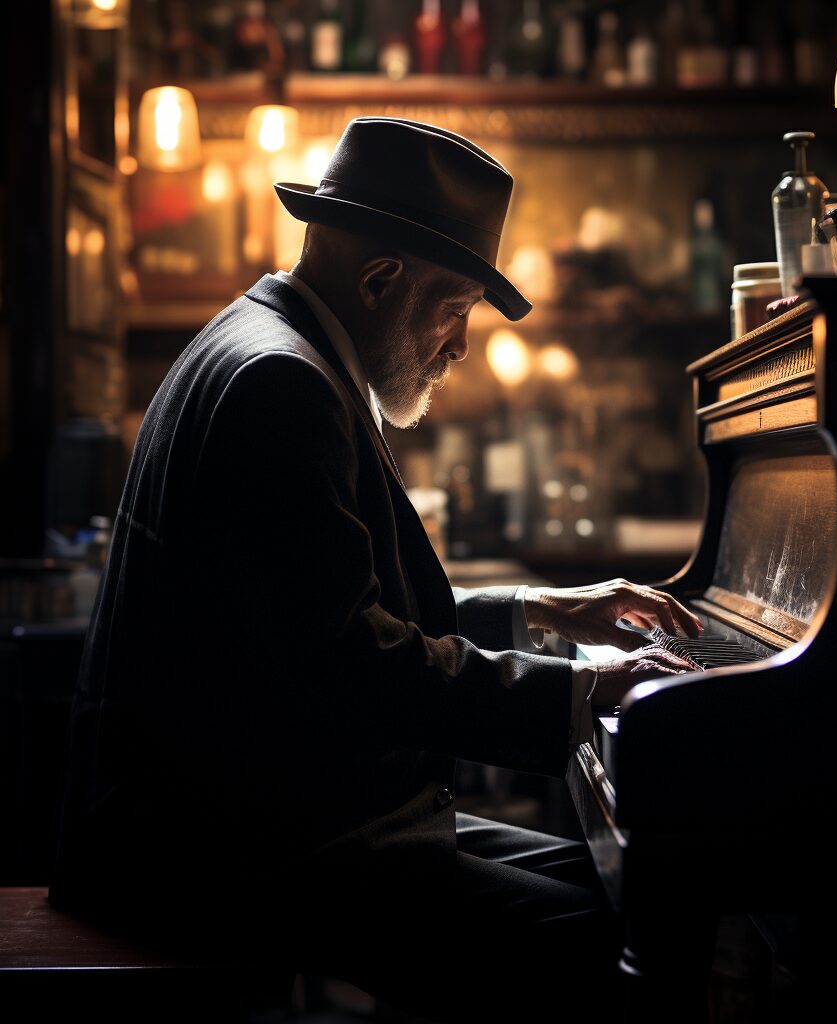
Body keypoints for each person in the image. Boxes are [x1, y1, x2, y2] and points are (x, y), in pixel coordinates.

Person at [50, 118, 698, 1021]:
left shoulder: (273, 351)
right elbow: (351, 665)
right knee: (609, 941)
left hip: (256, 818)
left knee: (627, 882)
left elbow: (330, 616)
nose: (460, 345)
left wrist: (543, 613)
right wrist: (586, 696)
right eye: (456, 308)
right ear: (383, 279)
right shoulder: (279, 387)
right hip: (221, 855)